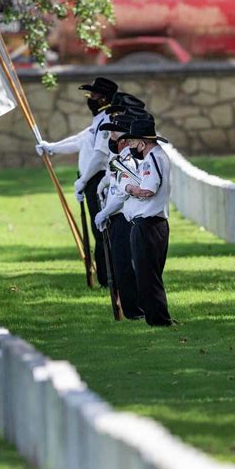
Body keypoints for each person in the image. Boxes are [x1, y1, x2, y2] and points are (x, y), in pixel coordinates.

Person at [35, 77, 118, 287]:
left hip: (99, 181)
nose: (90, 98)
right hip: (90, 180)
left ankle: (110, 279)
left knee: (103, 231)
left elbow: (99, 156)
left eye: (94, 95)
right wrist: (51, 147)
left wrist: (83, 180)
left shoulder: (108, 120)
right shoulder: (98, 120)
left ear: (105, 99)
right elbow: (79, 140)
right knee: (97, 228)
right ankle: (106, 277)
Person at [116, 119, 173, 327]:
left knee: (147, 275)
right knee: (149, 274)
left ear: (142, 142)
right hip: (152, 224)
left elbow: (147, 190)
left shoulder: (151, 159)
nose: (130, 146)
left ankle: (159, 320)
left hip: (148, 224)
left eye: (132, 142)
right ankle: (156, 317)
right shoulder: (155, 157)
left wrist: (128, 187)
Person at [94, 114, 144, 319]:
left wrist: (104, 212)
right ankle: (130, 308)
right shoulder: (118, 160)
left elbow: (123, 193)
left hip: (124, 218)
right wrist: (103, 184)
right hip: (116, 218)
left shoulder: (129, 162)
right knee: (119, 266)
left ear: (123, 140)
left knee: (126, 267)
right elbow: (113, 182)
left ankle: (135, 311)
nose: (111, 140)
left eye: (114, 135)